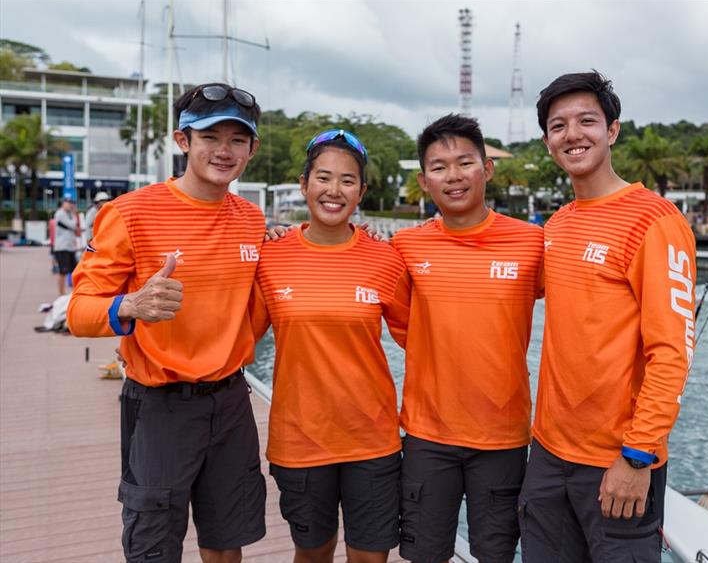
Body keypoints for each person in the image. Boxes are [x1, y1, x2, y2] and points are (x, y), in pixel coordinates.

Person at [67, 82, 267, 563]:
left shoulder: (252, 220)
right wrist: (129, 306)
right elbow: (78, 312)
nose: (224, 151)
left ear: (252, 149)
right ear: (183, 141)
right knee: (153, 546)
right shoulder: (130, 213)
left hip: (230, 401)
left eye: (237, 140)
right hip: (159, 406)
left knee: (225, 542)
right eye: (209, 137)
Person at [517, 71, 696, 562]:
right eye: (558, 126)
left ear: (612, 130)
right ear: (548, 141)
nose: (572, 134)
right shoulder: (557, 224)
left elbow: (672, 353)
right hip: (550, 456)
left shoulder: (655, 221)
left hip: (619, 461)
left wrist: (637, 456)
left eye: (587, 121)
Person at [390, 114, 545, 562]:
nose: (453, 176)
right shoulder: (406, 247)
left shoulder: (531, 243)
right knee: (424, 555)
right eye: (439, 167)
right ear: (423, 181)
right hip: (427, 435)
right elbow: (400, 322)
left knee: (495, 555)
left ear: (487, 169)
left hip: (502, 436)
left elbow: (584, 304)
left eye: (465, 163)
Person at [257, 129, 410, 563]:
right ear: (304, 184)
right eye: (323, 178)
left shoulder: (386, 259)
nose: (333, 190)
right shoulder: (270, 255)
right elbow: (239, 334)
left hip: (373, 439)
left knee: (369, 556)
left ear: (361, 191)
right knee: (314, 551)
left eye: (347, 181)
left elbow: (420, 339)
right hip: (300, 441)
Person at [53, 196, 79, 295]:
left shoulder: (68, 214)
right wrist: (74, 213)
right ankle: (61, 294)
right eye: (68, 202)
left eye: (72, 202)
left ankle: (73, 293)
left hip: (70, 247)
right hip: (62, 247)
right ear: (63, 203)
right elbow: (73, 225)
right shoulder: (60, 213)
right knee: (62, 272)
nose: (71, 204)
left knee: (73, 271)